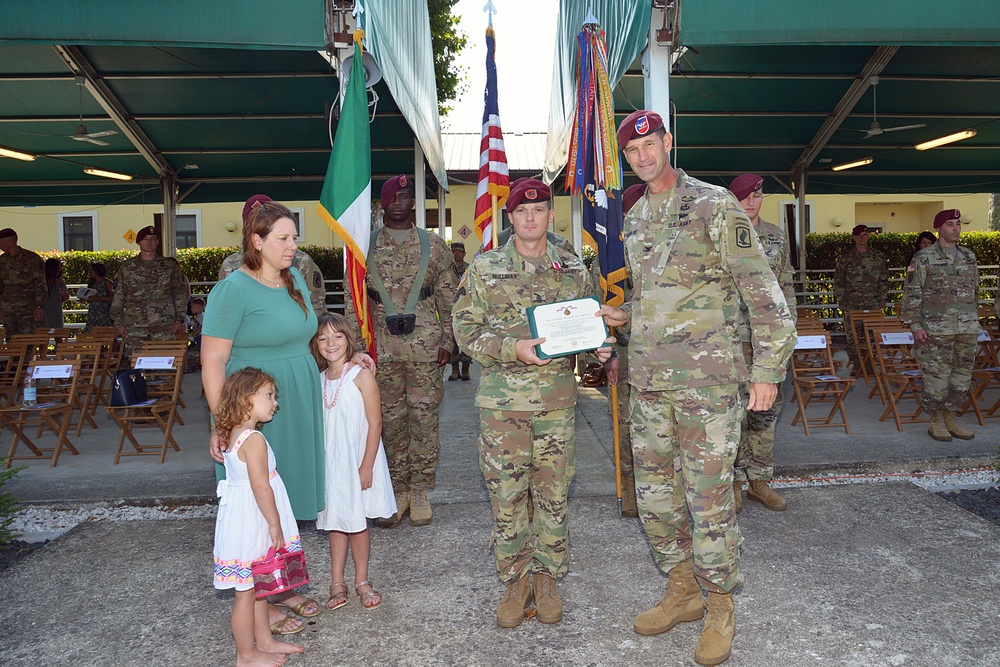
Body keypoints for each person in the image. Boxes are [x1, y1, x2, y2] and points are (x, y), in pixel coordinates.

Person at [597, 110, 796, 666]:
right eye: (632, 150)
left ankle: (720, 605)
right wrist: (620, 319)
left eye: (649, 144)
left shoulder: (713, 204)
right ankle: (681, 589)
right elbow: (651, 297)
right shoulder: (633, 218)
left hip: (707, 387)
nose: (641, 155)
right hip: (650, 384)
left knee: (709, 502)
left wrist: (766, 371)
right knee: (657, 499)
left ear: (667, 142)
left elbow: (763, 292)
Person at [453, 178, 613, 629]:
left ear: (548, 215)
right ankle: (515, 578)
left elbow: (589, 321)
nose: (530, 217)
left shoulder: (573, 267)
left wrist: (598, 348)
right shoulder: (485, 270)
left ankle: (546, 576)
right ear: (509, 217)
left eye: (539, 210)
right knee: (506, 496)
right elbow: (465, 330)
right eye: (522, 211)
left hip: (557, 404)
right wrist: (511, 348)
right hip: (503, 406)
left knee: (553, 493)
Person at [203, 200, 325, 636]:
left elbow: (309, 334)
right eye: (283, 239)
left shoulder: (293, 281)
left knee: (284, 498)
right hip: (252, 409)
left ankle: (279, 586)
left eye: (294, 238)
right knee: (259, 504)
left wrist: (351, 357)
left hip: (295, 396)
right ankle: (260, 602)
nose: (293, 246)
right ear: (257, 241)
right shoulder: (232, 290)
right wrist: (225, 424)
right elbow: (213, 361)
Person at [345, 174, 457, 528]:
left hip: (425, 348)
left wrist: (449, 343)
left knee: (424, 422)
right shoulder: (363, 244)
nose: (398, 202)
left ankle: (421, 489)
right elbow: (353, 299)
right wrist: (356, 349)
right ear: (381, 204)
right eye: (392, 196)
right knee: (388, 424)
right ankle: (397, 490)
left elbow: (450, 298)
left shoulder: (434, 245)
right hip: (380, 351)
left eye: (405, 196)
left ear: (413, 202)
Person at [212, 367, 305, 665]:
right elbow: (260, 485)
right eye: (268, 395)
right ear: (245, 398)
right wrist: (275, 523)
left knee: (258, 586)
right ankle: (246, 654)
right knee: (246, 593)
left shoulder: (234, 433)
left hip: (244, 516)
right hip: (254, 520)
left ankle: (264, 642)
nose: (274, 402)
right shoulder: (253, 440)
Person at [310, 313, 396, 611]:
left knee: (358, 522)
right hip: (332, 464)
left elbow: (375, 423)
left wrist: (367, 465)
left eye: (337, 336)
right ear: (315, 345)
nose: (330, 343)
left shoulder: (361, 376)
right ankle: (337, 581)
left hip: (358, 459)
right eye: (322, 338)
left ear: (349, 339)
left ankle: (361, 579)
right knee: (335, 519)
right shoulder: (317, 380)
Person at [728, 173, 798, 514]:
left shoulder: (775, 236)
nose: (751, 203)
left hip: (767, 343)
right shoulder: (724, 236)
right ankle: (735, 482)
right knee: (735, 415)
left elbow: (786, 288)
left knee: (765, 414)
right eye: (744, 198)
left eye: (756, 196)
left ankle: (760, 481)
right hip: (733, 341)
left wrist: (789, 334)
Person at [901, 209, 979, 442]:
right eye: (950, 224)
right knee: (937, 378)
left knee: (962, 377)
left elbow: (974, 292)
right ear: (939, 229)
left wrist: (974, 321)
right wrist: (915, 325)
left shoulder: (968, 256)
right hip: (936, 329)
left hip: (966, 328)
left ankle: (950, 418)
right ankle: (936, 420)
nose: (955, 228)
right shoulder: (924, 258)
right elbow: (912, 293)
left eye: (957, 224)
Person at [596, 182, 645, 518]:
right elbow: (597, 308)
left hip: (667, 354)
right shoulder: (614, 253)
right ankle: (628, 484)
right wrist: (609, 355)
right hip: (626, 352)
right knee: (627, 422)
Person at [219, 194, 329, 318]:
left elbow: (316, 306)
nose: (292, 246)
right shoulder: (230, 264)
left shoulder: (300, 261)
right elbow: (223, 312)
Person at [110, 225, 188, 349]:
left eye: (152, 239)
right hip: (135, 325)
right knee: (137, 364)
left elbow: (179, 293)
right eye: (145, 239)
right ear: (139, 242)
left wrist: (180, 319)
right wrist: (118, 323)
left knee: (163, 364)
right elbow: (119, 295)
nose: (149, 242)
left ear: (157, 242)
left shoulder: (169, 266)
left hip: (163, 324)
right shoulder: (127, 267)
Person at [833, 224, 888, 375]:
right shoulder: (846, 259)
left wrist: (883, 298)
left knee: (872, 335)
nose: (862, 238)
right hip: (852, 302)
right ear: (854, 237)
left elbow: (883, 279)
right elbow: (839, 281)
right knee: (853, 335)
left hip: (873, 303)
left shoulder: (878, 257)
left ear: (868, 236)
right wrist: (842, 300)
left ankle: (869, 364)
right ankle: (858, 364)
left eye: (864, 234)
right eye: (859, 235)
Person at [0, 228, 47, 339]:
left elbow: (40, 284)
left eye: (1, 243)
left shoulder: (32, 259)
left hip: (28, 309)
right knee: (12, 341)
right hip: (8, 310)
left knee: (28, 340)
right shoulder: (1, 261)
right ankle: (15, 357)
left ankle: (28, 357)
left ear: (10, 242)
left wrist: (39, 307)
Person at [448, 242, 472, 381]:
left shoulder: (469, 269)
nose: (457, 254)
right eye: (454, 251)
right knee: (452, 340)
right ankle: (455, 368)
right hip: (451, 309)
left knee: (467, 337)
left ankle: (466, 369)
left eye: (459, 251)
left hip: (465, 307)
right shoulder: (447, 269)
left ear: (464, 253)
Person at [82, 262, 115, 333]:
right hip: (93, 312)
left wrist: (98, 298)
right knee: (93, 332)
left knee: (107, 333)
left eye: (92, 270)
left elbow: (113, 297)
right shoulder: (92, 282)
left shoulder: (107, 282)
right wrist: (85, 298)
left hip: (104, 312)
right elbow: (91, 298)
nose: (90, 271)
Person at [42, 258, 69, 328]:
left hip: (56, 309)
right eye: (58, 268)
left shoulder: (60, 281)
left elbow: (66, 298)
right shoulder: (42, 281)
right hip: (45, 309)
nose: (60, 270)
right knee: (44, 332)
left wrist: (64, 294)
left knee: (58, 332)